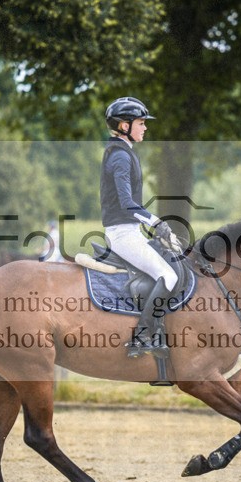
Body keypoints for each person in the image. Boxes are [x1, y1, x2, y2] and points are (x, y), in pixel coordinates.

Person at [100, 96, 180, 359]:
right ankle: (142, 336)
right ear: (125, 126)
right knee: (169, 277)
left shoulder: (123, 153)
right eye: (141, 123)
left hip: (130, 230)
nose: (145, 128)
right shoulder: (120, 157)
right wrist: (156, 222)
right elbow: (126, 203)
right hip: (122, 234)